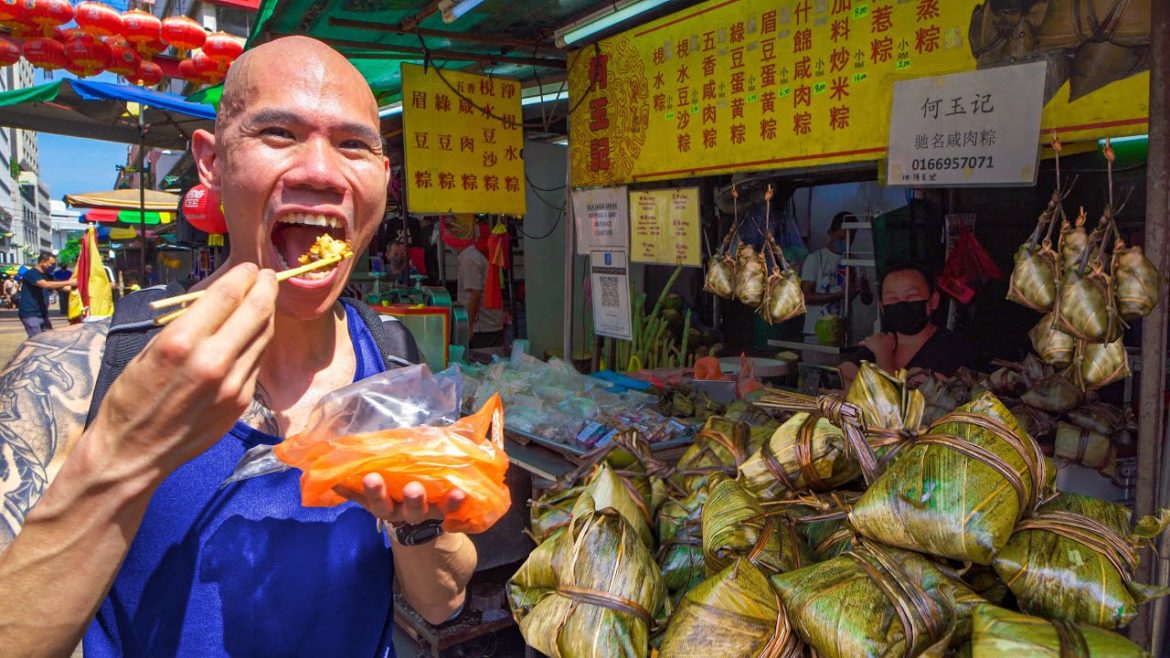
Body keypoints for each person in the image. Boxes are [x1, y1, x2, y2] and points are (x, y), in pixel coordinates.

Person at [0, 37, 478, 657]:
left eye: (354, 145)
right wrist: (123, 450)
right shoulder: (77, 373)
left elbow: (443, 602)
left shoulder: (393, 362)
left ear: (382, 180)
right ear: (212, 162)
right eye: (278, 133)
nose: (322, 171)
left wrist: (420, 526)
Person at [839, 262, 980, 388]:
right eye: (892, 299)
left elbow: (897, 405)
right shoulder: (881, 342)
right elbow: (837, 382)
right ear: (882, 308)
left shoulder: (954, 348)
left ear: (933, 301)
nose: (901, 304)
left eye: (912, 296)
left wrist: (883, 354)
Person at [800, 211, 870, 362]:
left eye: (849, 239)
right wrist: (839, 295)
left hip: (843, 333)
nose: (844, 242)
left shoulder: (855, 262)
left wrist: (863, 288)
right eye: (841, 238)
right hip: (815, 334)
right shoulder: (815, 259)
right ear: (830, 233)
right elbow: (805, 297)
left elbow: (867, 300)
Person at [17, 251, 76, 337]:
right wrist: (69, 282)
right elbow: (45, 284)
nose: (53, 266)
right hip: (30, 314)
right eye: (52, 264)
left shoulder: (48, 276)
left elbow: (65, 288)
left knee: (48, 339)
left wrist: (81, 287)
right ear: (42, 262)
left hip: (42, 314)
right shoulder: (31, 273)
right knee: (37, 341)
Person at [458, 240, 503, 349]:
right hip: (488, 324)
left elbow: (475, 294)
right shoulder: (472, 255)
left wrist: (468, 326)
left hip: (481, 326)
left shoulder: (469, 258)